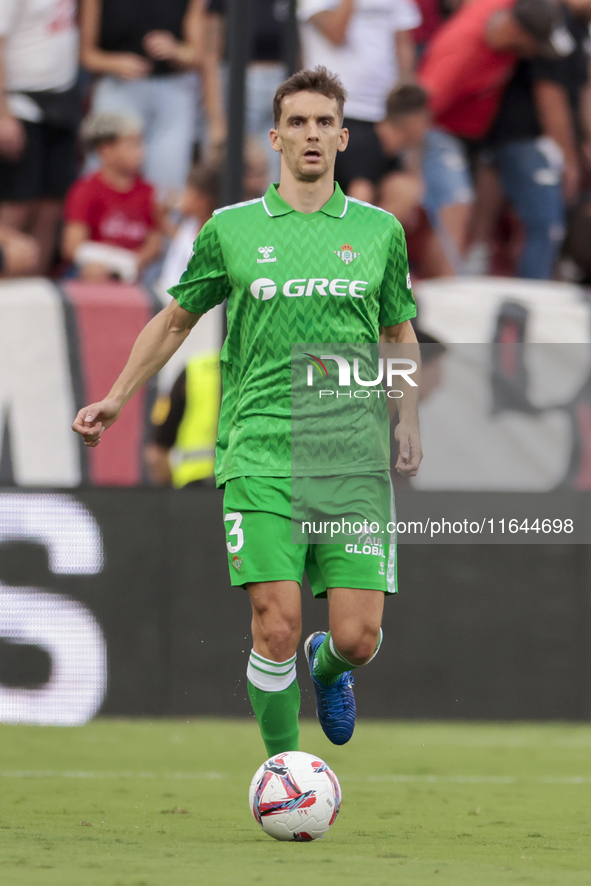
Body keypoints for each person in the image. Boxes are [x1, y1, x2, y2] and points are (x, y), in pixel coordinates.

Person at [72, 66, 422, 757]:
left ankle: (329, 668)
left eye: (324, 121)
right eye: (298, 122)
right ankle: (285, 772)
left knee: (357, 638)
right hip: (259, 450)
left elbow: (396, 332)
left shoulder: (378, 232)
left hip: (349, 457)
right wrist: (116, 397)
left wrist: (406, 419)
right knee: (275, 622)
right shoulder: (230, 230)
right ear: (275, 137)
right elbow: (175, 321)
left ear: (344, 137)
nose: (311, 134)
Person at [418, 0, 565, 269]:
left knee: (474, 207)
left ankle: (461, 268)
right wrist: (410, 161)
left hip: (474, 136)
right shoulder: (460, 54)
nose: (534, 52)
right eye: (535, 43)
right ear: (517, 32)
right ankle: (444, 286)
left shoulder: (501, 7)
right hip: (440, 130)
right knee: (454, 204)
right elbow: (421, 107)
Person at [468, 0, 591, 279]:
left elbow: (582, 89)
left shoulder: (580, 30)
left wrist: (584, 143)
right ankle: (529, 298)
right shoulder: (553, 21)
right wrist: (568, 157)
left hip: (535, 142)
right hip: (523, 137)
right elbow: (550, 96)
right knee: (545, 225)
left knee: (522, 223)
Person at [79, 0, 226, 198]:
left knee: (168, 186)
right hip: (119, 90)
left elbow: (198, 54)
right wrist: (114, 63)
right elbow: (87, 54)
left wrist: (176, 51)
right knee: (107, 181)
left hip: (172, 92)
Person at [298, 0, 422, 203]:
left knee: (404, 189)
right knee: (358, 190)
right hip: (335, 111)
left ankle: (375, 236)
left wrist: (407, 100)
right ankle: (346, 236)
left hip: (384, 113)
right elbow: (334, 33)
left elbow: (402, 42)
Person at [0, 0, 81, 275]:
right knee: (18, 202)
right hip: (20, 103)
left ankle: (34, 288)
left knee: (52, 206)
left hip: (62, 99)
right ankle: (6, 282)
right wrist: (3, 113)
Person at [62, 113, 162, 282]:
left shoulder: (148, 191)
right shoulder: (86, 190)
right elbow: (72, 246)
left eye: (140, 144)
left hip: (133, 276)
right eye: (132, 146)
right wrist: (115, 262)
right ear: (106, 151)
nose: (141, 152)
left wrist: (133, 263)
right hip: (91, 272)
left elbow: (155, 243)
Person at [145, 351, 221, 487]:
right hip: (245, 484)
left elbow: (156, 454)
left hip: (193, 487)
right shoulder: (257, 370)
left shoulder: (194, 371)